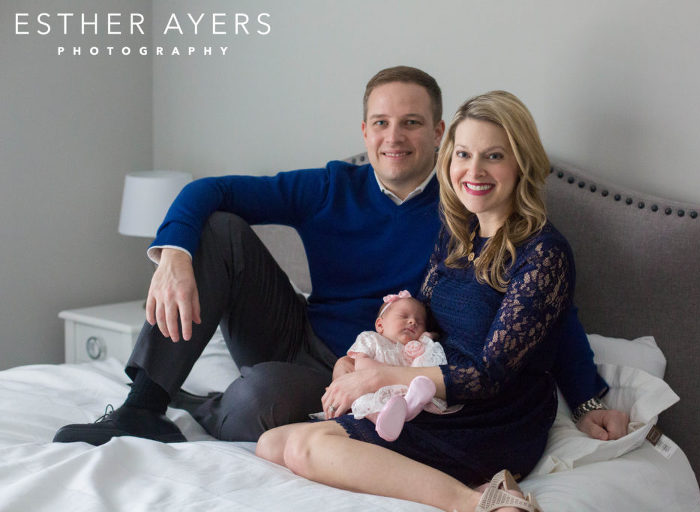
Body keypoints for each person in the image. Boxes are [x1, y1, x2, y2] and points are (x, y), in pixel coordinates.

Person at [52, 66, 627, 448]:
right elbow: (212, 190)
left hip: (369, 364)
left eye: (411, 123)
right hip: (294, 331)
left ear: (438, 133)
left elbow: (546, 310)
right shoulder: (332, 185)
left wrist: (586, 398)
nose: (393, 137)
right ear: (365, 130)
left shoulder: (466, 207)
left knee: (255, 401)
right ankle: (143, 406)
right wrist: (174, 253)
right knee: (220, 228)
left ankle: (199, 404)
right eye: (381, 123)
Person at [255, 90, 567, 512]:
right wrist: (357, 361)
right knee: (270, 444)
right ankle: (479, 485)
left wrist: (378, 379)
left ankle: (474, 502)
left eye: (493, 156)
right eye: (463, 154)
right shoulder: (457, 234)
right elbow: (421, 316)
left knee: (302, 449)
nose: (474, 170)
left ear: (521, 163)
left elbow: (489, 376)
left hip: (492, 415)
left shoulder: (543, 253)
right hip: (431, 393)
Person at [342, 290, 458, 441]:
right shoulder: (371, 339)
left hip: (405, 390)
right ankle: (381, 420)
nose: (412, 322)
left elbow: (429, 358)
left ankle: (410, 407)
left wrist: (428, 337)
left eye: (419, 322)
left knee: (419, 386)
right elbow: (362, 365)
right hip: (372, 389)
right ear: (380, 325)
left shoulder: (416, 346)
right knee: (363, 400)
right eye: (404, 316)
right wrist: (388, 373)